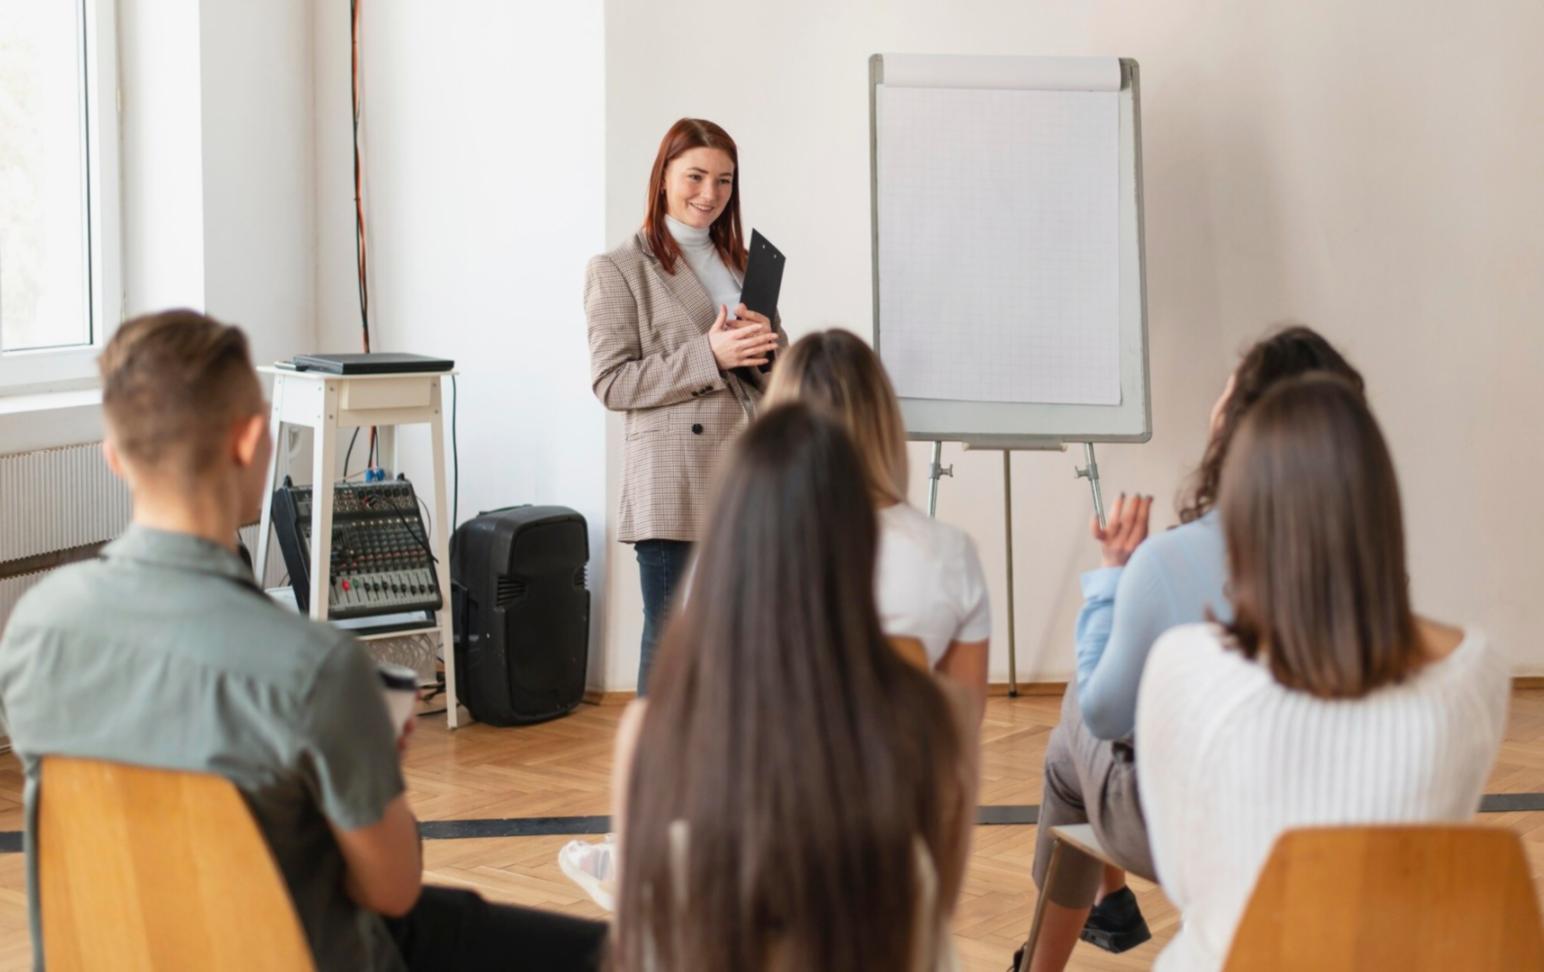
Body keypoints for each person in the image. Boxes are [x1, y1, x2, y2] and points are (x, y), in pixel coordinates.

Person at [0, 310, 607, 972]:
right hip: (289, 954)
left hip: (116, 952)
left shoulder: (34, 631)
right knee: (601, 952)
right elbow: (392, 889)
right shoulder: (314, 669)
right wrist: (374, 759)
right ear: (250, 441)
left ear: (113, 456)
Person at [1135, 374, 1509, 970]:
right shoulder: (1475, 672)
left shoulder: (1183, 666)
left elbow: (1185, 882)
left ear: (1245, 517)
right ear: (1380, 508)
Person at [1020, 326, 1365, 971]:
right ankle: (1110, 907)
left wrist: (1111, 583)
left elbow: (1106, 717)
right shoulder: (1371, 569)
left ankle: (1047, 961)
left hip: (1195, 837)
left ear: (1239, 428)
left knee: (1076, 720)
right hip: (1326, 831)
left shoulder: (1167, 562)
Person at [609, 403, 976, 971]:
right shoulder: (919, 715)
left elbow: (635, 939)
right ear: (860, 546)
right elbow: (935, 916)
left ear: (724, 544)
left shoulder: (650, 730)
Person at [585, 117, 787, 695]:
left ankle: (735, 772)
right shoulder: (620, 268)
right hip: (676, 477)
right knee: (674, 637)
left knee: (751, 639)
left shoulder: (744, 262)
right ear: (663, 176)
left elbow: (776, 363)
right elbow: (612, 382)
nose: (709, 194)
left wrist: (764, 350)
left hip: (751, 472)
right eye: (695, 176)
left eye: (724, 181)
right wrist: (710, 354)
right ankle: (657, 776)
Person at [763, 329, 990, 718]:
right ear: (885, 422)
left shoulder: (725, 554)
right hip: (896, 777)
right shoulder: (949, 553)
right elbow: (960, 739)